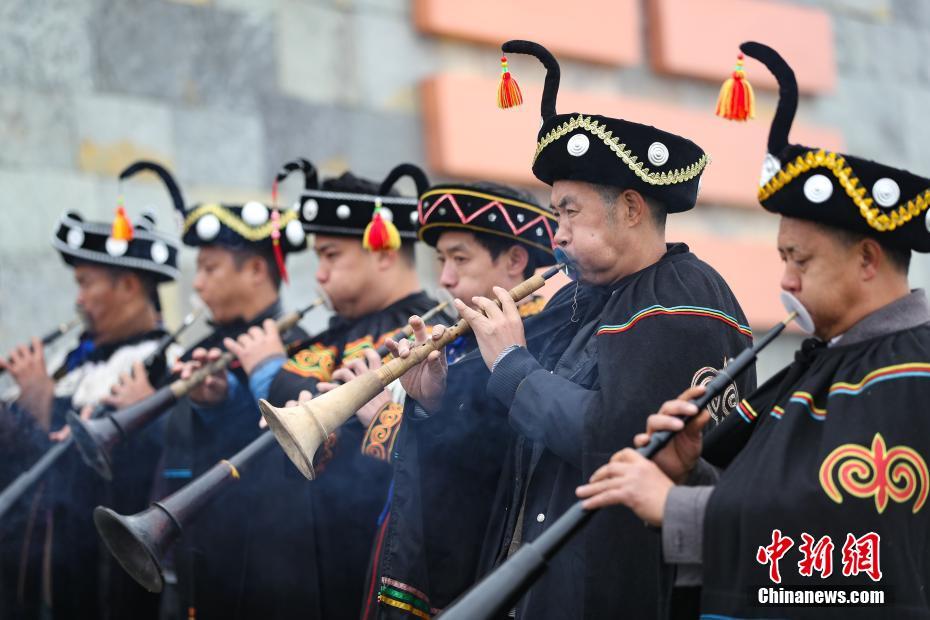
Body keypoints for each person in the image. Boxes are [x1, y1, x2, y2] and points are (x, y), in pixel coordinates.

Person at [396, 40, 755, 619]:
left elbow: (623, 443)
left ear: (633, 208)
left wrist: (513, 368)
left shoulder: (683, 296)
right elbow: (506, 446)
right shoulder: (581, 301)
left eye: (568, 211)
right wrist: (438, 397)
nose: (555, 233)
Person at [577, 41, 930, 619]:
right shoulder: (824, 361)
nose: (786, 281)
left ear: (868, 260)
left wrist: (677, 508)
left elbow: (859, 558)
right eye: (782, 258)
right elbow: (774, 500)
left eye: (802, 260)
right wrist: (693, 470)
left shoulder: (910, 373)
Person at [183, 161, 445, 619]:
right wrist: (220, 399)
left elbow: (343, 437)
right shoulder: (321, 337)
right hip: (276, 569)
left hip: (347, 569)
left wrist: (268, 372)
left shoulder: (420, 331)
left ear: (382, 251)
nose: (319, 275)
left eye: (331, 256)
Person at [358, 179, 578, 618]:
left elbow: (486, 463)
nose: (444, 278)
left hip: (470, 576)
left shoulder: (540, 344)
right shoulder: (463, 343)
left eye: (460, 259)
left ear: (516, 261)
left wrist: (388, 419)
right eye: (441, 260)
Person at [0, 162, 182, 619]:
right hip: (39, 567)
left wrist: (45, 403)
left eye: (86, 284)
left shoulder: (160, 364)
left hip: (102, 579)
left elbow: (116, 470)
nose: (78, 299)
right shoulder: (74, 360)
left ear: (127, 286)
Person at [149, 159, 311, 619]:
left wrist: (230, 402)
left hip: (258, 559)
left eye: (210, 268)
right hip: (192, 551)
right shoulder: (200, 346)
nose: (197, 284)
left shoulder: (298, 346)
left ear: (257, 270)